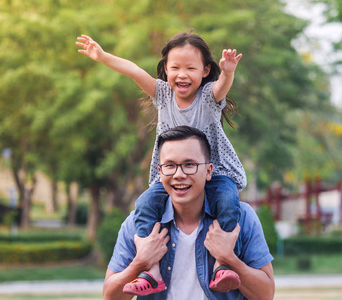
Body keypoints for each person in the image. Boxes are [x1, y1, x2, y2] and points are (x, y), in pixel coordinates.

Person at [76, 31, 246, 295]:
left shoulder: (207, 97)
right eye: (175, 67)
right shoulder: (163, 95)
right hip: (169, 174)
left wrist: (228, 73)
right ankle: (151, 270)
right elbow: (133, 71)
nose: (182, 74)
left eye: (191, 68)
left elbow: (222, 87)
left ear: (205, 71)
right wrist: (103, 56)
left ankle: (222, 265)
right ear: (165, 69)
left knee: (227, 201)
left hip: (215, 172)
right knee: (144, 204)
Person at [102, 126, 275, 300]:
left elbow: (265, 295)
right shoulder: (139, 223)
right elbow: (110, 297)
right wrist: (140, 263)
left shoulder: (241, 217)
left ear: (208, 171)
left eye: (189, 165)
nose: (179, 174)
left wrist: (229, 258)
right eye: (170, 166)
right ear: (160, 173)